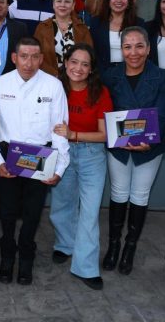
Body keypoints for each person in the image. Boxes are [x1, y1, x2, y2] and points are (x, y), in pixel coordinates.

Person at [0, 37, 69, 285]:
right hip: (9, 155)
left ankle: (27, 256)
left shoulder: (53, 86)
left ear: (41, 59)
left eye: (34, 57)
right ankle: (7, 255)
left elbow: (60, 130)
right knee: (7, 212)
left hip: (40, 157)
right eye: (23, 56)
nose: (28, 63)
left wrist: (60, 167)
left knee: (32, 213)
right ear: (14, 58)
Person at [101, 26, 165, 276]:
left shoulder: (161, 76)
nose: (134, 52)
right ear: (121, 49)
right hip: (119, 147)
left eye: (139, 46)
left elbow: (163, 113)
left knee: (140, 196)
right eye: (128, 47)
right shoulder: (110, 75)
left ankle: (129, 248)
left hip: (149, 148)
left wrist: (149, 140)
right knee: (118, 193)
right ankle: (114, 245)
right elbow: (104, 110)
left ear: (149, 49)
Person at [50, 44, 113, 290]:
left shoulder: (100, 92)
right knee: (62, 203)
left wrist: (73, 134)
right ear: (66, 63)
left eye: (85, 64)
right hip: (61, 152)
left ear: (91, 69)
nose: (78, 68)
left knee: (89, 211)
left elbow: (104, 134)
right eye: (74, 62)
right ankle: (64, 244)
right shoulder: (55, 88)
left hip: (91, 154)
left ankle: (85, 267)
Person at [34, 0, 93, 77]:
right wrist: (55, 76)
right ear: (53, 4)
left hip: (76, 78)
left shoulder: (82, 29)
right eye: (59, 1)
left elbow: (89, 56)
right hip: (48, 78)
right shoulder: (42, 28)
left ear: (73, 6)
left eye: (67, 2)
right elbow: (36, 55)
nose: (63, 5)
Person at [88, 0, 143, 75]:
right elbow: (93, 51)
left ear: (129, 2)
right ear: (108, 0)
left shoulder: (138, 24)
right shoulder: (96, 23)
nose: (119, 0)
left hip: (132, 73)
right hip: (102, 74)